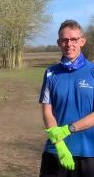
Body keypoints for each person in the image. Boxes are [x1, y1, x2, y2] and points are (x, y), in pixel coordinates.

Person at [39, 19, 94, 177]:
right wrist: (59, 143)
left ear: (82, 41)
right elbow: (47, 111)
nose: (69, 44)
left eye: (74, 39)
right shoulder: (51, 73)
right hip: (55, 151)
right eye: (64, 40)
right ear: (59, 43)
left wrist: (69, 129)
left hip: (89, 152)